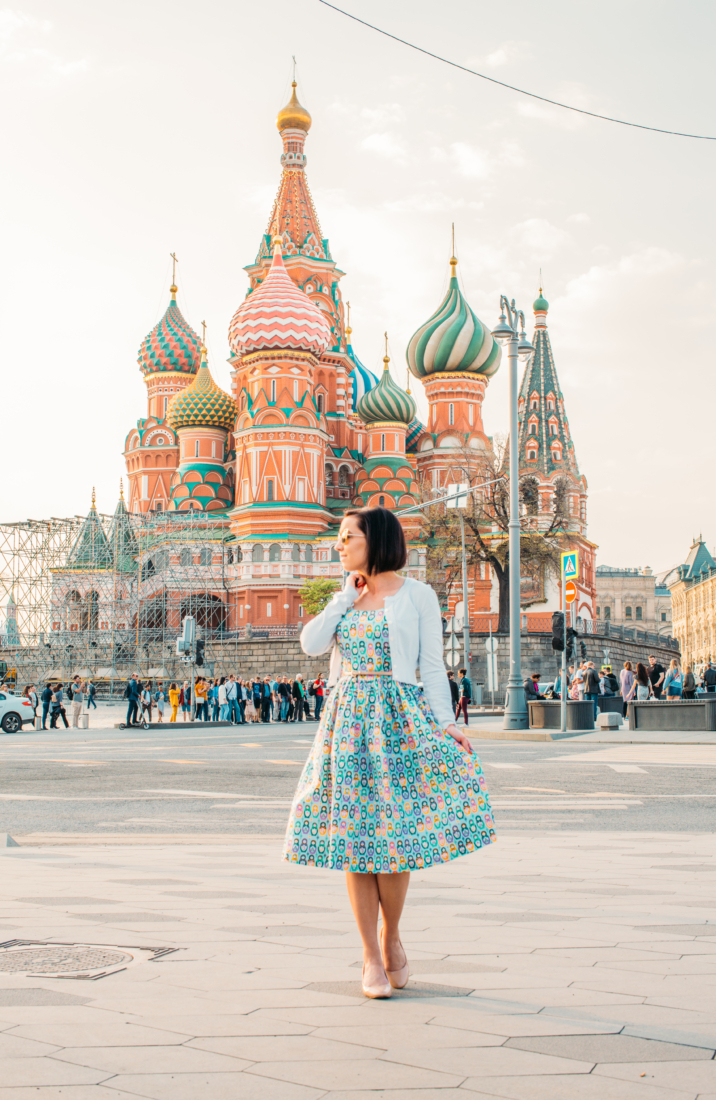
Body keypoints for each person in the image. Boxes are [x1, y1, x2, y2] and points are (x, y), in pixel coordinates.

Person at [284, 505, 495, 1000]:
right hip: (348, 725)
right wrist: (341, 600)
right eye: (339, 537)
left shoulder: (417, 595)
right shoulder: (345, 597)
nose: (339, 544)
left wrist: (446, 724)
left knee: (397, 838)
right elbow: (311, 644)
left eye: (347, 536)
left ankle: (391, 933)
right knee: (354, 841)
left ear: (374, 540)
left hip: (399, 719)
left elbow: (431, 666)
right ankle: (370, 957)